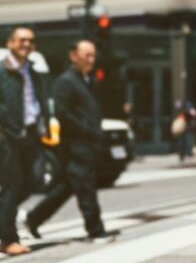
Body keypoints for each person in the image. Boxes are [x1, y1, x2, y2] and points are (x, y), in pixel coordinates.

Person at [24, 39, 115, 243]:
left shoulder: (87, 80)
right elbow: (62, 113)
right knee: (86, 187)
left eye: (93, 55)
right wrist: (87, 131)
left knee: (67, 186)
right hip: (75, 144)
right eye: (86, 56)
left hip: (88, 143)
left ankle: (33, 218)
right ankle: (96, 230)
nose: (91, 60)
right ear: (73, 56)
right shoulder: (65, 81)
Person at [0, 26, 49, 256]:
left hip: (31, 134)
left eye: (30, 41)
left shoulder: (34, 71)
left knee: (37, 179)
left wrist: (44, 125)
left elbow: (38, 102)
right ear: (10, 43)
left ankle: (3, 214)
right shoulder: (2, 72)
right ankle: (8, 239)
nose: (26, 44)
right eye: (22, 40)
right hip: (8, 137)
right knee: (12, 186)